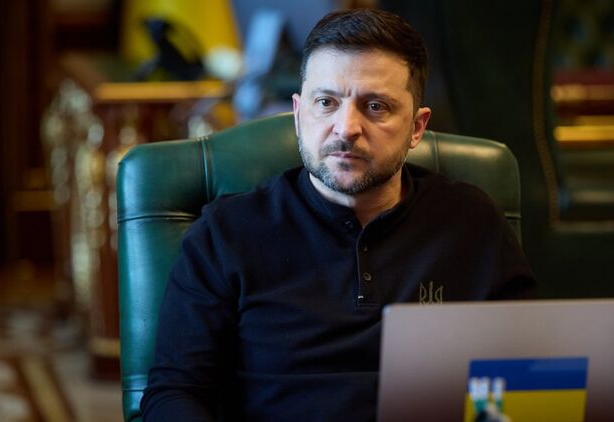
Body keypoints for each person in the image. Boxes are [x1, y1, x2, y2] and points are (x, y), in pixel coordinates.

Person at [141, 8, 535, 421]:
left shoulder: (473, 223)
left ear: (417, 128)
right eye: (326, 102)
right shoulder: (226, 234)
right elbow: (174, 394)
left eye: (376, 106)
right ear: (299, 114)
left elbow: (527, 376)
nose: (346, 128)